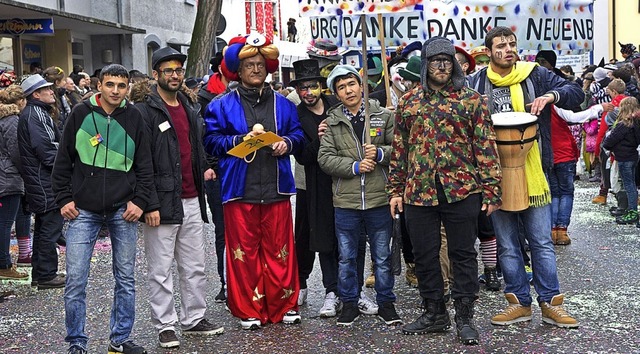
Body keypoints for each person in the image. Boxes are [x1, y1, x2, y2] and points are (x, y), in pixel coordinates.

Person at [388, 37, 501, 345]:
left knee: (463, 254)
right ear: (425, 65)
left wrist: (491, 190)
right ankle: (434, 312)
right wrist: (395, 190)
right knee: (424, 255)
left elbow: (486, 147)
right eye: (435, 61)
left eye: (447, 61)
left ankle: (464, 316)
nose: (441, 66)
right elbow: (400, 149)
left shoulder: (472, 100)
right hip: (418, 192)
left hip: (462, 190)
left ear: (454, 66)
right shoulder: (409, 101)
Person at [467, 26, 582, 329]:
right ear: (488, 51)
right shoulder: (475, 83)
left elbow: (576, 93)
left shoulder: (535, 74)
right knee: (506, 245)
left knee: (542, 242)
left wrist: (551, 95)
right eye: (500, 45)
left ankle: (550, 303)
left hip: (535, 174)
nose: (507, 49)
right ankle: (518, 303)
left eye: (512, 44)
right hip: (495, 177)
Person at [203, 33, 305, 330]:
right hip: (239, 190)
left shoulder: (284, 105)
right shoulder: (221, 105)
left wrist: (287, 143)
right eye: (250, 64)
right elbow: (210, 142)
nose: (256, 69)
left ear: (267, 67)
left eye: (260, 64)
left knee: (280, 250)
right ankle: (249, 308)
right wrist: (238, 140)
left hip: (276, 188)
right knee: (243, 254)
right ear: (239, 69)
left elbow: (298, 135)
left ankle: (285, 304)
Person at [52, 64, 156, 354]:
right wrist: (63, 199)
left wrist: (140, 202)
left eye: (121, 86)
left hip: (123, 208)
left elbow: (146, 165)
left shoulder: (134, 116)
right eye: (110, 85)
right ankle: (76, 342)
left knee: (125, 277)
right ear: (99, 84)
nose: (115, 91)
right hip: (83, 209)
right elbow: (63, 161)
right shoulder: (80, 114)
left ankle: (120, 339)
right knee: (75, 279)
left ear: (128, 88)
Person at [136, 47, 224, 348]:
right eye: (168, 70)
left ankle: (194, 318)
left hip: (190, 196)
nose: (174, 75)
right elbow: (141, 161)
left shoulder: (189, 105)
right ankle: (165, 325)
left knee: (195, 264)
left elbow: (195, 148)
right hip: (160, 202)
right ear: (156, 75)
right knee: (160, 269)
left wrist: (206, 170)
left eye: (178, 70)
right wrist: (149, 203)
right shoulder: (146, 111)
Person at [317, 64, 401, 327]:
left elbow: (398, 150)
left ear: (361, 85)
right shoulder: (331, 122)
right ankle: (350, 303)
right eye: (341, 87)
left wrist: (379, 154)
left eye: (351, 84)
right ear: (336, 93)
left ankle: (387, 303)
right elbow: (325, 159)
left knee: (382, 257)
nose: (348, 90)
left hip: (378, 199)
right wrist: (354, 167)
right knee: (347, 257)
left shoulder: (382, 116)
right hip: (346, 202)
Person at [289, 59, 342, 317]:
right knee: (309, 233)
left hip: (341, 181)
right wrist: (320, 139)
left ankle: (341, 287)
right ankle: (302, 282)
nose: (308, 93)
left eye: (312, 87)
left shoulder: (337, 105)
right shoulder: (296, 116)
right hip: (309, 182)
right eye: (302, 88)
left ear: (322, 86)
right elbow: (303, 157)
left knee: (341, 233)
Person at [17, 74, 66, 290]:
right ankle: (46, 274)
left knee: (44, 227)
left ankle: (40, 273)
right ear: (36, 94)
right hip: (43, 180)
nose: (51, 92)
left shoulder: (33, 112)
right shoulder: (36, 113)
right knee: (50, 228)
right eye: (46, 89)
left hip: (38, 179)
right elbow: (48, 149)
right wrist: (65, 166)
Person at [0, 85, 30, 280]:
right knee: (4, 223)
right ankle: (4, 264)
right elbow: (16, 151)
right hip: (8, 177)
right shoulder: (11, 121)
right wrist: (27, 172)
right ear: (20, 101)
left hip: (4, 175)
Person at [603, 97, 640, 224]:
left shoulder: (623, 125)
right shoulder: (636, 124)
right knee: (631, 184)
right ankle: (630, 208)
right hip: (633, 156)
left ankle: (632, 211)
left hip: (623, 157)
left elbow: (609, 141)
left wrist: (609, 147)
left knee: (627, 184)